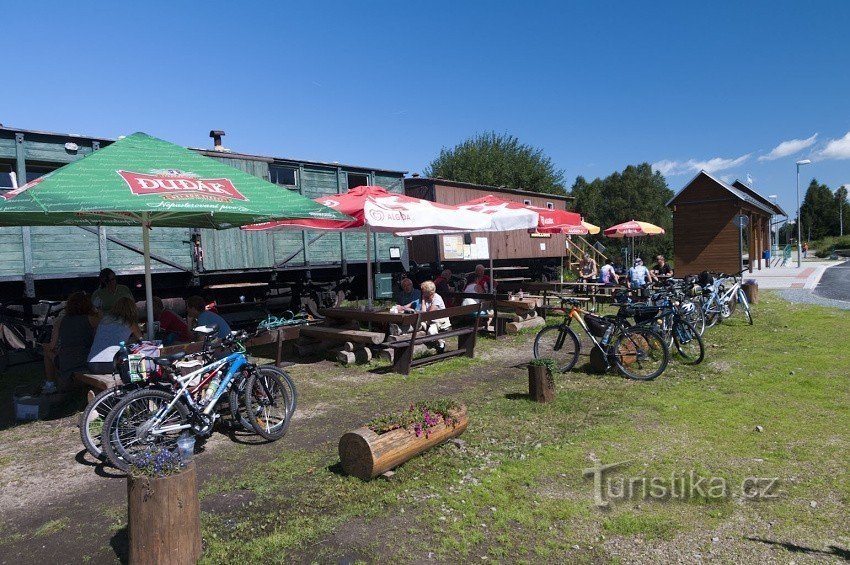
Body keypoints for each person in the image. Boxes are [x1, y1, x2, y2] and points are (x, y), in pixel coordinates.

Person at [45, 291, 100, 390]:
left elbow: (52, 346)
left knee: (46, 350)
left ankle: (50, 384)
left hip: (66, 363)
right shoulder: (92, 320)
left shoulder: (60, 321)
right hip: (86, 360)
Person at [87, 296, 142, 374]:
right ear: (132, 309)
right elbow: (142, 341)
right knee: (137, 361)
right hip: (111, 364)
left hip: (92, 363)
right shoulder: (130, 322)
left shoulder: (104, 321)